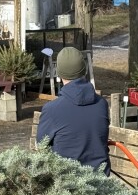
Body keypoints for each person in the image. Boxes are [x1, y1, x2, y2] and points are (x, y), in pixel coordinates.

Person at [36, 46, 110, 175]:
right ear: (84, 69)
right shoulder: (102, 104)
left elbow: (41, 146)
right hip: (100, 177)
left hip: (67, 182)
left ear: (59, 73)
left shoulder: (52, 109)